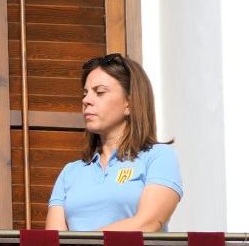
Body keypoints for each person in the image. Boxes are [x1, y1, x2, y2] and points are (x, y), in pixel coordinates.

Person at [45, 53, 182, 233]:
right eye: (85, 93)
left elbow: (148, 224)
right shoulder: (70, 172)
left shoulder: (158, 157)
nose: (86, 100)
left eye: (100, 92)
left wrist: (84, 244)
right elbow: (55, 244)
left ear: (129, 103)